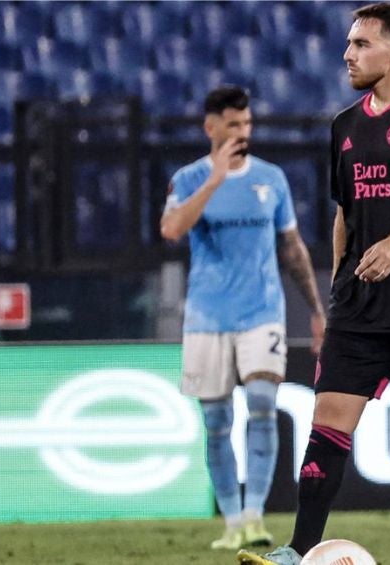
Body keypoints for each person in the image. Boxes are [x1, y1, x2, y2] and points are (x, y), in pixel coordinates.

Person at [237, 4, 390, 565]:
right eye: (348, 44)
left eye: (359, 44)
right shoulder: (344, 125)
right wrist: (338, 284)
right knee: (327, 417)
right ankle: (298, 551)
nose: (346, 54)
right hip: (360, 303)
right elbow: (345, 214)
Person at [160, 85, 326, 551]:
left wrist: (316, 310)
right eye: (233, 124)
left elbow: (291, 248)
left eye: (247, 124)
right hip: (207, 316)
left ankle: (254, 516)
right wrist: (214, 179)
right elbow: (171, 230)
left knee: (260, 403)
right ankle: (231, 519)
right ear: (211, 127)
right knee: (215, 420)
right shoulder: (190, 178)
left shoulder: (271, 179)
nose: (242, 132)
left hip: (262, 311)